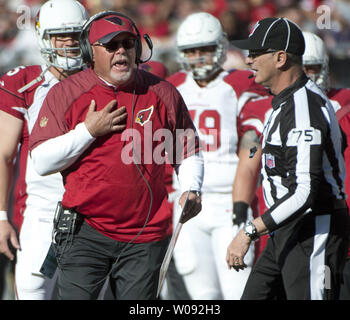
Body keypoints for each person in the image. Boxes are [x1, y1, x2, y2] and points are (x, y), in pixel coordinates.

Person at [29, 11, 204, 300]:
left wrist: (192, 187)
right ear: (90, 52)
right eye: (111, 45)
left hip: (145, 234)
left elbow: (188, 150)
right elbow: (41, 161)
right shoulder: (66, 93)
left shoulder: (162, 92)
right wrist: (88, 131)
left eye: (128, 43)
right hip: (85, 231)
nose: (121, 51)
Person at [227, 17, 350, 300]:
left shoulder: (304, 109)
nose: (249, 61)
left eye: (256, 54)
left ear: (280, 58)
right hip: (287, 229)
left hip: (313, 229)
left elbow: (305, 192)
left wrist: (248, 232)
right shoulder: (283, 102)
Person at [166, 12, 266, 300]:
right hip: (187, 203)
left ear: (220, 47)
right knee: (202, 297)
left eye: (205, 49)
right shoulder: (171, 86)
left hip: (228, 202)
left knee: (238, 291)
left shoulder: (241, 82)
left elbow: (252, 142)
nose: (198, 57)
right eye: (191, 51)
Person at [0, 0, 89, 300]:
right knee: (31, 289)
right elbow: (3, 153)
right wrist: (0, 216)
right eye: (58, 36)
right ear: (43, 38)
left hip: (94, 209)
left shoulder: (102, 81)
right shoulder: (24, 83)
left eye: (74, 35)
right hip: (41, 209)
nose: (66, 43)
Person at [302, 31, 350, 300]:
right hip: (299, 221)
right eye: (303, 68)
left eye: (313, 68)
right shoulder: (278, 108)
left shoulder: (344, 103)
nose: (308, 74)